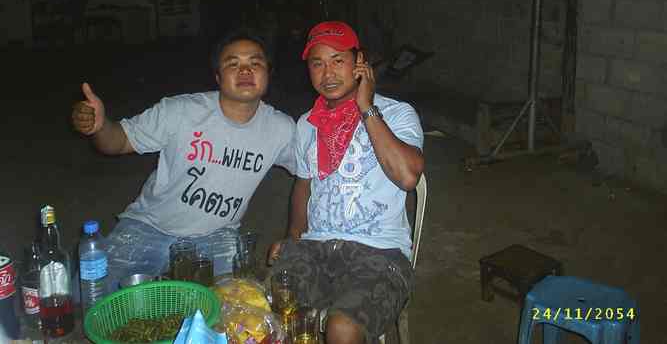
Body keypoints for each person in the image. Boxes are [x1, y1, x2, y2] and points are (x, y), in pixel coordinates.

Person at [71, 28, 296, 292]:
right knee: (89, 294)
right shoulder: (180, 111)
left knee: (236, 306)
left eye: (255, 63)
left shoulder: (281, 129)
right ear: (217, 77)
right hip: (149, 226)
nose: (245, 70)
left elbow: (311, 173)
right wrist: (99, 127)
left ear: (268, 73)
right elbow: (118, 141)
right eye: (233, 63)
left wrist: (295, 236)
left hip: (218, 235)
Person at [268, 21, 424, 344]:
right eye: (317, 63)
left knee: (342, 327)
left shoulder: (397, 114)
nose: (328, 73)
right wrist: (292, 239)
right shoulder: (307, 125)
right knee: (269, 313)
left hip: (380, 253)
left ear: (360, 62)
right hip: (316, 248)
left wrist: (367, 108)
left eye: (338, 60)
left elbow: (408, 176)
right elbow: (303, 187)